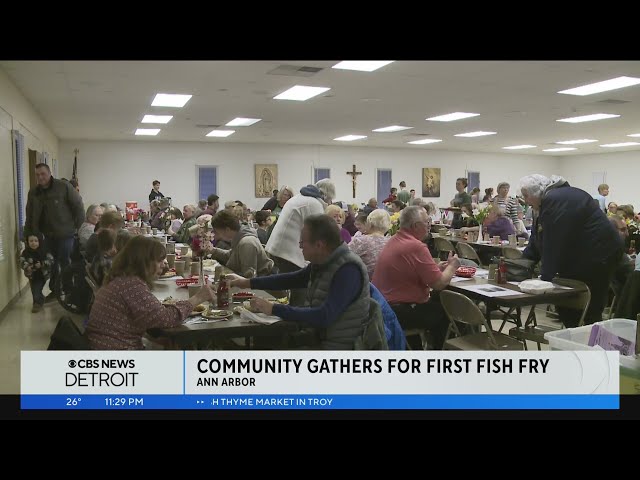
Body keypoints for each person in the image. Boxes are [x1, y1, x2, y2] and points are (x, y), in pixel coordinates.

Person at [228, 214, 371, 350]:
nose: (300, 247)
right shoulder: (324, 261)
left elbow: (324, 316)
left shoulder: (348, 269)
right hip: (317, 337)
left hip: (336, 346)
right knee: (262, 342)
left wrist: (273, 309)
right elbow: (292, 279)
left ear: (319, 245)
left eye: (303, 242)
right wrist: (247, 282)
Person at [520, 174, 623, 327]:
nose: (526, 201)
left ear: (536, 192)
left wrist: (545, 278)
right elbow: (537, 238)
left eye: (526, 196)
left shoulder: (556, 199)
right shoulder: (548, 201)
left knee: (588, 308)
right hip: (587, 255)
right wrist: (521, 265)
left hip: (598, 255)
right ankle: (575, 337)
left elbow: (554, 241)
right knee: (569, 306)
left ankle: (589, 343)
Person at [86, 236, 216, 350]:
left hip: (102, 344)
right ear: (144, 261)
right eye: (159, 261)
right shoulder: (131, 285)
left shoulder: (121, 279)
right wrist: (198, 298)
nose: (163, 266)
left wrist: (150, 340)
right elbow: (166, 318)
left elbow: (131, 321)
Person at [372, 206, 460, 350]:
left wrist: (438, 268)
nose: (429, 225)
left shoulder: (395, 239)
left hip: (383, 307)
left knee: (437, 301)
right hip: (398, 311)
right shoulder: (416, 246)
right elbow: (438, 283)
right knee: (448, 312)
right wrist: (452, 266)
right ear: (415, 226)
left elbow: (411, 271)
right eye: (426, 222)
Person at [265, 179, 335, 306]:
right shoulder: (313, 203)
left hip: (279, 248)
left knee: (296, 287)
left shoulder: (300, 197)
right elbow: (319, 232)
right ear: (325, 196)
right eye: (330, 199)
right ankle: (296, 322)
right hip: (288, 252)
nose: (330, 203)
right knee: (302, 288)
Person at [25, 163, 85, 298]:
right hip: (45, 236)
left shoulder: (63, 187)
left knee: (65, 262)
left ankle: (69, 291)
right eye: (37, 175)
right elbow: (29, 215)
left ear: (49, 173)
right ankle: (55, 290)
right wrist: (28, 234)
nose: (40, 177)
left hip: (66, 234)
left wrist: (78, 228)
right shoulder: (33, 192)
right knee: (51, 263)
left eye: (43, 174)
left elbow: (78, 205)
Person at [209, 210, 273, 277]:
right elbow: (231, 256)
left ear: (227, 229)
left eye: (218, 232)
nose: (218, 235)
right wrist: (213, 250)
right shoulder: (238, 236)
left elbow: (249, 276)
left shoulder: (246, 243)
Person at [348, 209, 391, 280]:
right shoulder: (390, 242)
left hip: (363, 285)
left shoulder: (360, 241)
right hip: (383, 284)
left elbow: (342, 258)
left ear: (369, 223)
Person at [20, 232, 54, 313]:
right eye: (31, 241)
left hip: (44, 275)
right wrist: (28, 266)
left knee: (41, 290)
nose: (33, 243)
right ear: (27, 242)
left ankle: (38, 302)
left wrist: (42, 264)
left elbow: (51, 260)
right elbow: (22, 262)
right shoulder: (26, 252)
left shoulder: (45, 250)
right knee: (35, 290)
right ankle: (37, 303)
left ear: (39, 241)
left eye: (36, 241)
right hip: (33, 275)